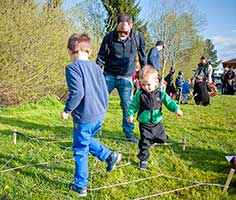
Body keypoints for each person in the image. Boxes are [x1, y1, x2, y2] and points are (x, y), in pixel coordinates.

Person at [61, 33, 122, 197]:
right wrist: (103, 109)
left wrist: (67, 110)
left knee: (80, 148)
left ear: (70, 51)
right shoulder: (96, 67)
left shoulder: (72, 68)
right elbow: (104, 91)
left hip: (85, 116)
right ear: (89, 50)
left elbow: (77, 92)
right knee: (86, 139)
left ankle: (80, 186)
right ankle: (109, 156)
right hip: (99, 115)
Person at [96, 14, 146, 143]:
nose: (122, 34)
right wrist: (95, 74)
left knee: (127, 105)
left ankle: (129, 133)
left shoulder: (137, 37)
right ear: (116, 27)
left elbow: (142, 55)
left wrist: (146, 73)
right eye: (120, 31)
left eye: (125, 32)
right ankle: (94, 129)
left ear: (131, 27)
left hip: (127, 77)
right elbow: (101, 57)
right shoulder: (109, 38)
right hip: (109, 74)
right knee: (99, 102)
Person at [127, 65, 183, 170]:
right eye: (143, 84)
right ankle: (143, 160)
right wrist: (130, 114)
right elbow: (133, 106)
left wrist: (176, 109)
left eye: (148, 84)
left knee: (161, 138)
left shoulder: (160, 93)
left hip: (157, 122)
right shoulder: (140, 94)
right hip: (145, 123)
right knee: (144, 142)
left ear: (156, 82)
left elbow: (169, 102)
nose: (145, 87)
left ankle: (156, 139)